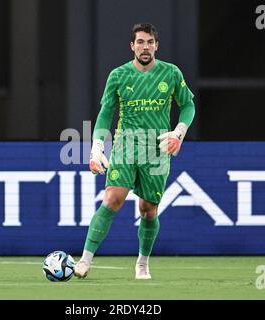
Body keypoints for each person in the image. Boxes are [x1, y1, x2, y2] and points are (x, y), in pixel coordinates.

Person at [74, 23, 196, 280]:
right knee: (111, 200)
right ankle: (85, 259)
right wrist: (96, 148)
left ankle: (142, 263)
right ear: (132, 45)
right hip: (126, 146)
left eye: (150, 42)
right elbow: (106, 113)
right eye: (140, 42)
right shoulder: (118, 76)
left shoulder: (171, 73)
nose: (145, 47)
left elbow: (188, 106)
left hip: (157, 149)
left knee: (148, 210)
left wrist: (178, 133)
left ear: (156, 45)